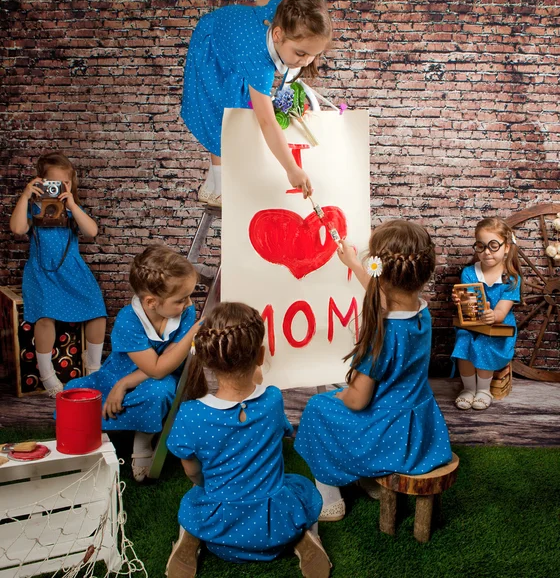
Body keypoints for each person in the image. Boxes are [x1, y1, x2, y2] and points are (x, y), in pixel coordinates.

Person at [294, 220, 453, 521]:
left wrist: (343, 394)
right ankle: (370, 479)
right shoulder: (421, 310)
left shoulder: (382, 335)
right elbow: (383, 294)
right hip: (418, 431)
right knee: (336, 397)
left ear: (382, 271)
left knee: (317, 406)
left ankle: (329, 501)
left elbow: (358, 401)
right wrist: (354, 264)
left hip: (386, 432)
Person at [166, 302, 331, 578]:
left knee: (195, 498)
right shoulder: (273, 399)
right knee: (299, 489)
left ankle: (189, 539)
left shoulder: (192, 413)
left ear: (205, 358)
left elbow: (192, 471)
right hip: (275, 532)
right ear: (260, 356)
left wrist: (206, 486)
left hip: (221, 536)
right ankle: (303, 537)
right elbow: (282, 432)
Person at [180, 0, 331, 207]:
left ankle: (211, 185)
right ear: (278, 34)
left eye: (313, 55)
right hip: (212, 44)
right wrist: (292, 168)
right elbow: (267, 121)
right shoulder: (259, 63)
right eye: (300, 53)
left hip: (236, 44)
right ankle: (220, 185)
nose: (306, 61)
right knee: (223, 116)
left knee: (236, 108)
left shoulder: (281, 11)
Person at [63, 244, 200, 482]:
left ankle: (143, 442)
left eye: (189, 296)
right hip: (121, 373)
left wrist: (126, 383)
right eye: (181, 299)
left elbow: (163, 368)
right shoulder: (129, 319)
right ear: (151, 302)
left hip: (160, 376)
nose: (188, 304)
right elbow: (154, 365)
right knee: (76, 396)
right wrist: (121, 381)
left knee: (161, 389)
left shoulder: (185, 313)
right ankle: (112, 431)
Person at [10, 152, 107, 396]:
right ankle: (46, 373)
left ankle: (93, 368)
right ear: (40, 182)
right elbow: (18, 228)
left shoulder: (72, 208)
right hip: (42, 271)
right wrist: (25, 196)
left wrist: (72, 204)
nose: (57, 188)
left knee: (97, 310)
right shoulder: (33, 208)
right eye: (52, 183)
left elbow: (92, 232)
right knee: (45, 318)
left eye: (64, 183)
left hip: (72, 269)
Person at [452, 217, 522, 411]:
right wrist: (460, 301)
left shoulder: (512, 279)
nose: (487, 252)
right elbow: (469, 305)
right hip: (474, 324)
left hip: (499, 328)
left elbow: (501, 311)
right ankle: (468, 389)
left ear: (506, 247)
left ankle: (483, 390)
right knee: (464, 338)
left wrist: (494, 315)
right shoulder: (469, 273)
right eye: (481, 246)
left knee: (484, 342)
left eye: (493, 246)